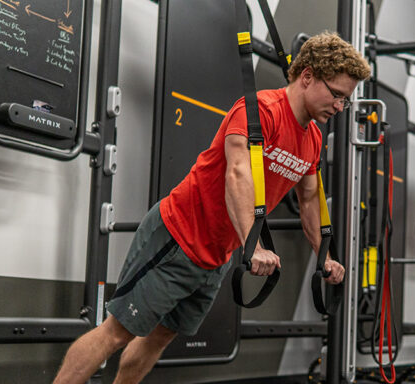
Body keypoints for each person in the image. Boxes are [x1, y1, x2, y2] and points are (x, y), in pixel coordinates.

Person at [53, 31, 370, 384]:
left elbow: (309, 198)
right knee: (118, 331)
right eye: (337, 95)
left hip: (216, 254)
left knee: (160, 336)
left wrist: (322, 254)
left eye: (345, 100)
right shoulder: (258, 113)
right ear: (308, 76)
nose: (340, 107)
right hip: (177, 236)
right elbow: (237, 175)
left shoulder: (311, 138)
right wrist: (255, 245)